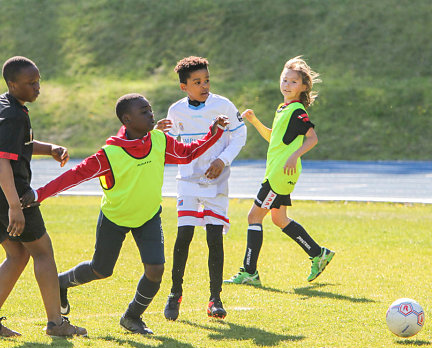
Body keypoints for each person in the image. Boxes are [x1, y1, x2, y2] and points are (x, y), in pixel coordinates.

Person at [20, 93, 229, 334]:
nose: (151, 114)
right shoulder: (109, 154)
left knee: (156, 269)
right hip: (114, 218)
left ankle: (132, 317)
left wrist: (214, 134)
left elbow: (187, 153)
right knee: (101, 270)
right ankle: (61, 282)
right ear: (127, 120)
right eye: (144, 111)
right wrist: (39, 194)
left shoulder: (159, 140)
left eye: (150, 109)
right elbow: (74, 176)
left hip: (149, 216)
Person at [0, 56, 87, 338]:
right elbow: (2, 161)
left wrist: (50, 149)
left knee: (17, 253)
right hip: (7, 192)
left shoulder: (5, 104)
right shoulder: (12, 115)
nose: (37, 88)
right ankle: (57, 324)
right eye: (30, 83)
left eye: (38, 81)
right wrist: (14, 206)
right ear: (13, 84)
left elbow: (17, 146)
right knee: (43, 251)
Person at [224, 56, 335, 287]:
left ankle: (249, 272)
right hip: (278, 173)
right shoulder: (283, 108)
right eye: (284, 79)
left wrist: (295, 155)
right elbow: (274, 138)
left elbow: (312, 138)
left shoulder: (297, 110)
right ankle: (318, 253)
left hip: (279, 176)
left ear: (303, 87)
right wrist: (254, 121)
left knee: (253, 217)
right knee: (279, 218)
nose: (287, 84)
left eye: (293, 82)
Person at [156, 56, 246, 321]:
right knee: (183, 236)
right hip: (187, 182)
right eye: (197, 82)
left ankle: (215, 299)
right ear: (184, 86)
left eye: (206, 80)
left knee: (214, 238)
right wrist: (157, 132)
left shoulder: (223, 106)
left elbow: (239, 134)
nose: (204, 85)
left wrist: (222, 160)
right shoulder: (176, 111)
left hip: (217, 182)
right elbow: (169, 146)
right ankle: (175, 294)